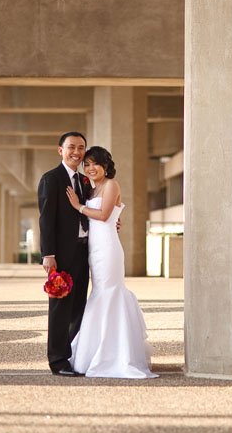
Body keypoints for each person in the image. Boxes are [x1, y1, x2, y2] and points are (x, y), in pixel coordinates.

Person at [65, 146, 157, 378]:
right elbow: (107, 217)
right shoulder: (91, 189)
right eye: (86, 164)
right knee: (98, 293)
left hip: (108, 249)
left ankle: (115, 353)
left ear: (105, 166)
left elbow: (105, 215)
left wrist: (78, 206)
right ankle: (97, 350)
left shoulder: (111, 184)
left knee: (109, 293)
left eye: (95, 163)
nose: (90, 168)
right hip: (94, 249)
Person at [38, 131, 91, 376]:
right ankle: (58, 362)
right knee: (60, 308)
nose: (76, 152)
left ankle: (71, 356)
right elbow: (46, 219)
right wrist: (48, 254)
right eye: (71, 147)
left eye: (81, 148)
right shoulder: (52, 179)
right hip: (61, 254)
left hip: (84, 252)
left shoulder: (84, 180)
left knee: (78, 307)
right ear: (61, 150)